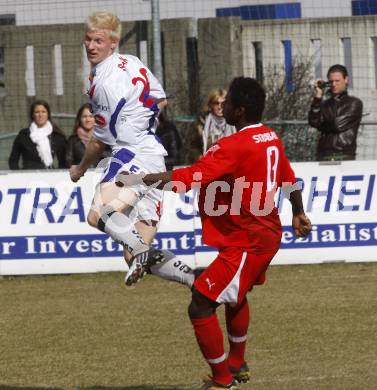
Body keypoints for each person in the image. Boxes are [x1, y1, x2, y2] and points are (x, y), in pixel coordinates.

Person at [117, 77, 312, 389]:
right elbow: (289, 177)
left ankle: (222, 380)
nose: (225, 108)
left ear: (240, 110)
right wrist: (299, 212)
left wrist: (140, 180)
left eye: (230, 103)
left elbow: (189, 177)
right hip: (258, 235)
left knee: (201, 303)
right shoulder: (269, 137)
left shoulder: (233, 145)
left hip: (249, 240)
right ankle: (237, 363)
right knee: (235, 296)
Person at [69, 11, 168, 284]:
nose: (91, 46)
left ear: (113, 43)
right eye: (87, 40)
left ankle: (142, 251)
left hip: (133, 154)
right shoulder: (132, 62)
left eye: (98, 41)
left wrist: (79, 168)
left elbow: (99, 142)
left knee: (97, 214)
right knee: (132, 256)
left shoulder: (103, 83)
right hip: (155, 157)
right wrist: (141, 123)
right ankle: (190, 278)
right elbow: (160, 100)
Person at [308, 64, 363, 161]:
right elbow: (313, 122)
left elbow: (337, 125)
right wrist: (318, 97)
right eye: (331, 81)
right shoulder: (325, 103)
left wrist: (321, 125)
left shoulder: (354, 103)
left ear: (346, 80)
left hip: (343, 155)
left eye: (337, 81)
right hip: (323, 155)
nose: (334, 84)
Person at [8, 100, 67, 169]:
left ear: (48, 114)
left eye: (43, 112)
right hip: (28, 176)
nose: (40, 115)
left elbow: (64, 162)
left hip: (49, 176)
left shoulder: (56, 136)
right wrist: (19, 176)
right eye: (37, 112)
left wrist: (58, 176)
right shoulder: (23, 135)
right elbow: (13, 161)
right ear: (32, 115)